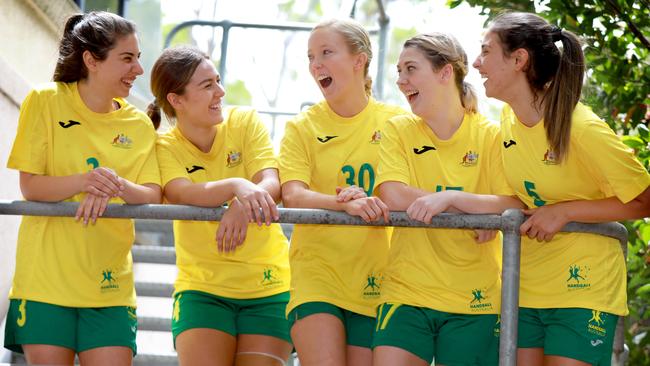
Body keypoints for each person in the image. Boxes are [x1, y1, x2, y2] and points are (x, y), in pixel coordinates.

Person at [472, 11, 650, 366]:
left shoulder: (581, 128)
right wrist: (466, 208)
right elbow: (516, 199)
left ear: (519, 59)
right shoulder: (507, 122)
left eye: (486, 51)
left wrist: (566, 211)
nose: (477, 63)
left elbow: (644, 199)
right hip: (525, 287)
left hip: (583, 291)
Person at [3, 11, 161, 366]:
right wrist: (84, 181)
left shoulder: (138, 125)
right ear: (91, 60)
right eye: (127, 58)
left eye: (138, 58)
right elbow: (30, 186)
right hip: (44, 284)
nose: (138, 69)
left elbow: (152, 193)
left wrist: (115, 185)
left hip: (110, 288)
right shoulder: (44, 101)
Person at [371, 33, 523, 366]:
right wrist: (470, 207)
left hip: (475, 301)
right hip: (406, 294)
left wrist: (452, 198)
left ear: (445, 72)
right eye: (399, 71)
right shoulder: (398, 129)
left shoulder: (491, 134)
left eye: (410, 69)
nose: (401, 81)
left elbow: (512, 203)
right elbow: (392, 194)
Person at [151, 46, 292, 366]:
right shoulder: (164, 146)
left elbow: (272, 181)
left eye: (217, 80)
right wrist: (235, 186)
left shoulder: (244, 122)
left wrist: (243, 204)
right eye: (207, 85)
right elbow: (180, 192)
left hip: (269, 288)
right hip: (201, 290)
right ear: (177, 100)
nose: (221, 91)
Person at [278, 18, 405, 366]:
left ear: (358, 60)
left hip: (376, 278)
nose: (315, 64)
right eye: (310, 56)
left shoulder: (396, 123)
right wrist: (342, 204)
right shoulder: (302, 126)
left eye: (326, 52)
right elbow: (293, 195)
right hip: (316, 275)